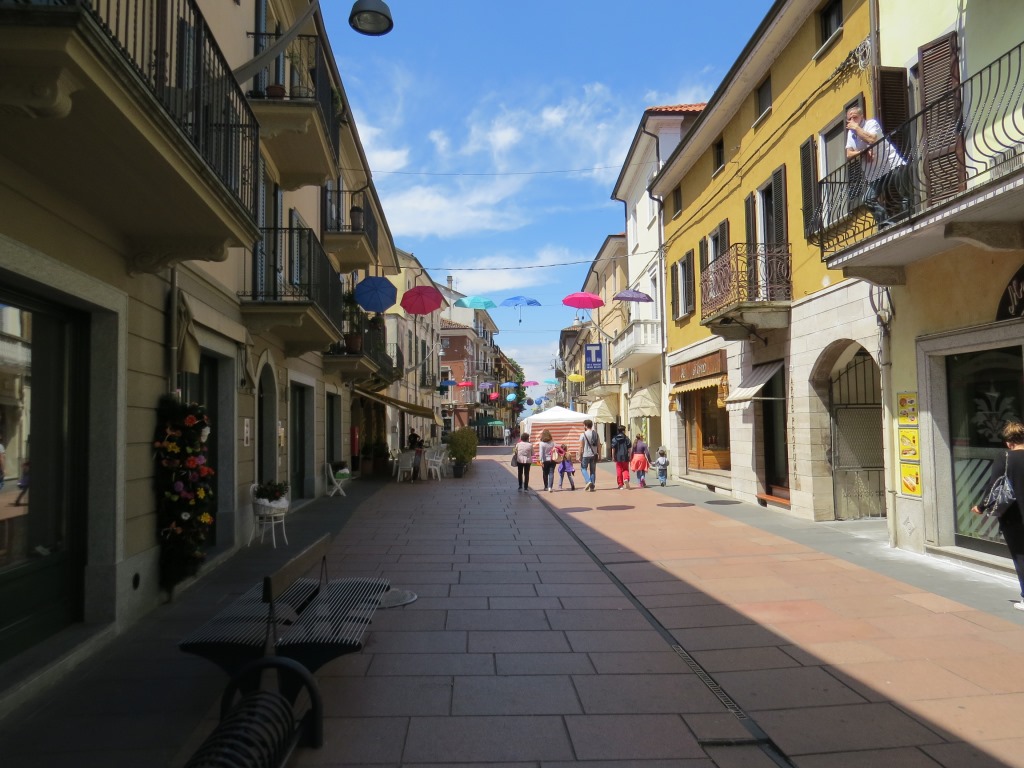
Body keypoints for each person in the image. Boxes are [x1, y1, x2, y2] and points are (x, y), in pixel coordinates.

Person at [972, 420, 1024, 612]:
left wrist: (981, 507)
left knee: (1021, 556)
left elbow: (993, 486)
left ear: (1009, 442)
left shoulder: (1005, 457)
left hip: (1014, 516)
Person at [845, 105, 908, 229]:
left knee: (903, 192)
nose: (852, 121)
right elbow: (849, 154)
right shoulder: (850, 134)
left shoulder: (871, 124)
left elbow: (872, 139)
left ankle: (908, 216)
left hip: (891, 164)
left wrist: (857, 128)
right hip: (875, 174)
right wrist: (863, 152)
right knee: (868, 199)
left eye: (855, 117)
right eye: (850, 119)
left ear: (861, 117)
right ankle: (885, 222)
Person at [578, 419, 601, 492]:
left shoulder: (583, 434)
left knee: (583, 468)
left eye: (583, 425)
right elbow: (599, 445)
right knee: (592, 471)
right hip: (594, 454)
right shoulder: (596, 434)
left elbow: (581, 446)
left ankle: (588, 481)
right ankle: (592, 486)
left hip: (585, 454)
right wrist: (600, 455)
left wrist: (579, 455)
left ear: (585, 426)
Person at [610, 425, 632, 490]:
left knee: (619, 470)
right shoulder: (627, 438)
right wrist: (630, 456)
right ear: (623, 431)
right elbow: (629, 448)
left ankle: (620, 484)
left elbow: (613, 448)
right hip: (625, 456)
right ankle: (626, 478)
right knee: (625, 469)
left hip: (618, 456)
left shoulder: (615, 439)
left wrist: (613, 456)